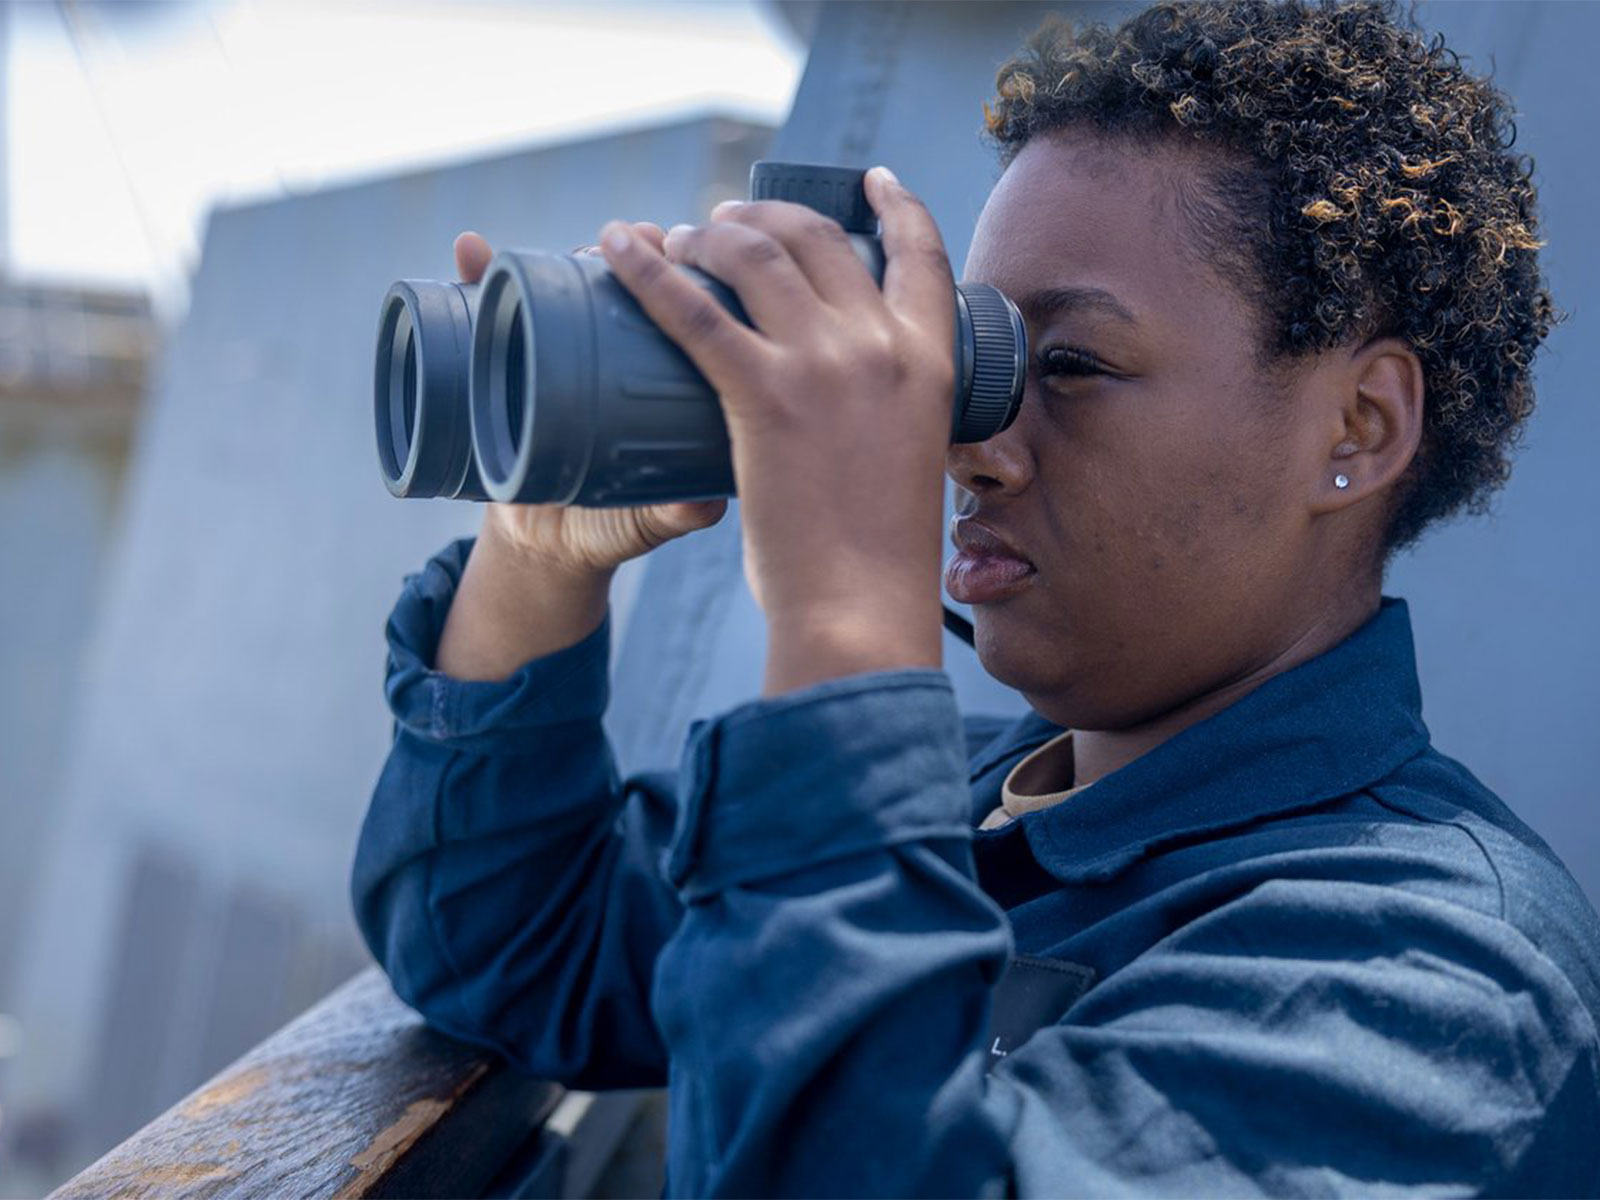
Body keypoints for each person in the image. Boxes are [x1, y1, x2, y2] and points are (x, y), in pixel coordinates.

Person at [352, 0, 1600, 1193]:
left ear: (1358, 424)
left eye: (1070, 363)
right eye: (968, 363)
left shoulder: (1430, 975)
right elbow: (507, 945)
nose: (965, 446)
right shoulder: (963, 804)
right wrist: (538, 554)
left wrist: (846, 614)